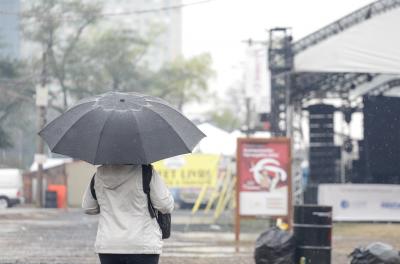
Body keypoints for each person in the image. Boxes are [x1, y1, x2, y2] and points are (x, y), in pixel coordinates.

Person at [82, 164, 174, 264]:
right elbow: (165, 205)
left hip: (109, 246)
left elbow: (88, 207)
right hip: (142, 245)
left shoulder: (99, 174)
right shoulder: (146, 171)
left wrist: (106, 203)